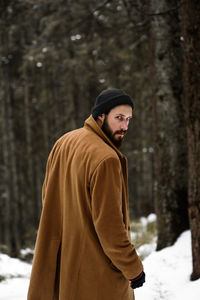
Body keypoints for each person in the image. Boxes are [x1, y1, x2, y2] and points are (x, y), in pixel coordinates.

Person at [27, 88, 145, 300]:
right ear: (101, 116)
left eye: (128, 119)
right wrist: (133, 268)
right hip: (96, 276)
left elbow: (48, 197)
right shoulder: (106, 158)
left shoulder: (64, 142)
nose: (125, 126)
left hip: (63, 265)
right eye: (119, 118)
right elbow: (110, 226)